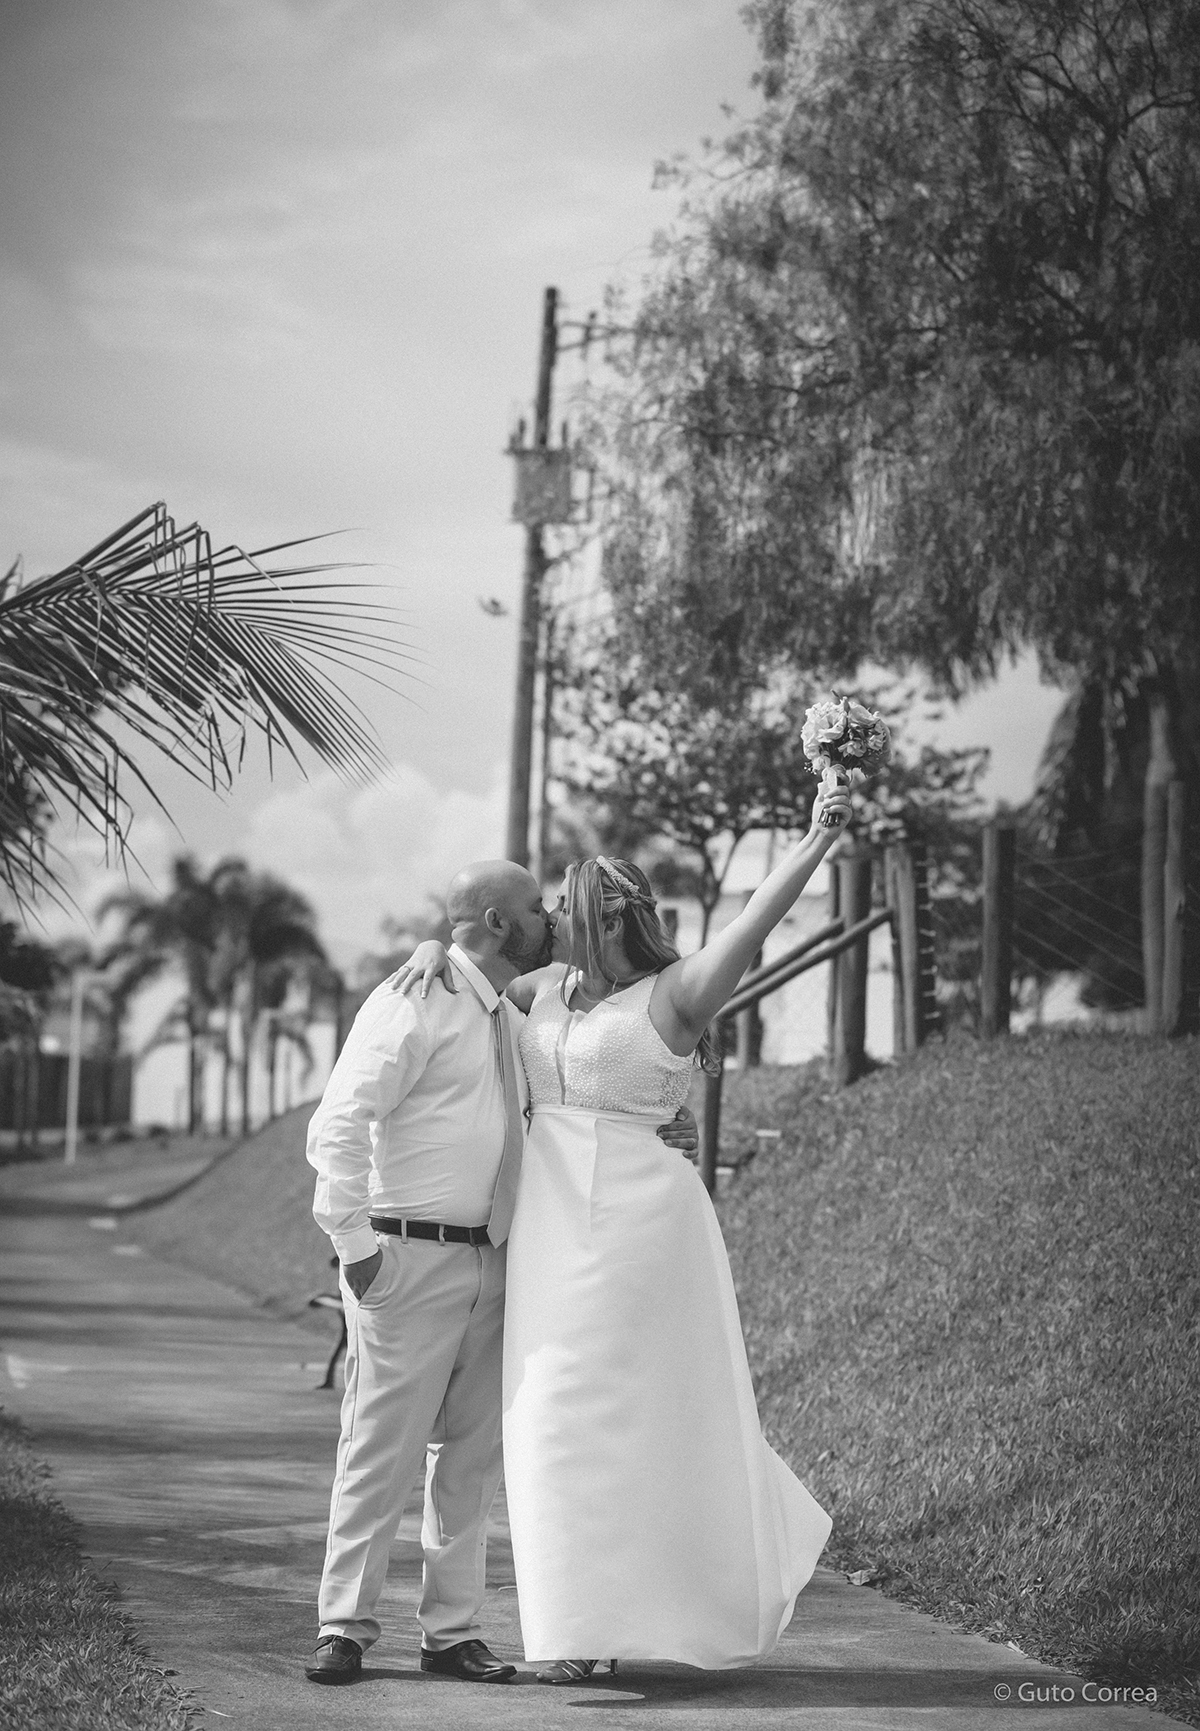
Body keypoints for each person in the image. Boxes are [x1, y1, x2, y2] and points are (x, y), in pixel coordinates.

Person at [396, 775, 850, 1681]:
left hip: (643, 1227)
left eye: (569, 908)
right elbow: (468, 970)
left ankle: (595, 1632)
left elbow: (754, 922)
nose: (555, 922)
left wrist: (816, 839)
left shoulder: (677, 993)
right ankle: (577, 1620)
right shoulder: (540, 990)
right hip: (547, 1228)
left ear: (610, 917)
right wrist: (429, 948)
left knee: (627, 1420)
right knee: (549, 1420)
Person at [303, 859, 697, 1686]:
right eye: (536, 909)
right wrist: (357, 1250)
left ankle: (449, 1633)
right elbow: (339, 1121)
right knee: (380, 1451)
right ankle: (344, 1625)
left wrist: (664, 1122)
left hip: (498, 1262)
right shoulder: (413, 1000)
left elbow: (576, 1082)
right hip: (405, 1258)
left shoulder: (513, 1015)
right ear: (495, 920)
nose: (552, 921)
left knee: (470, 1462)